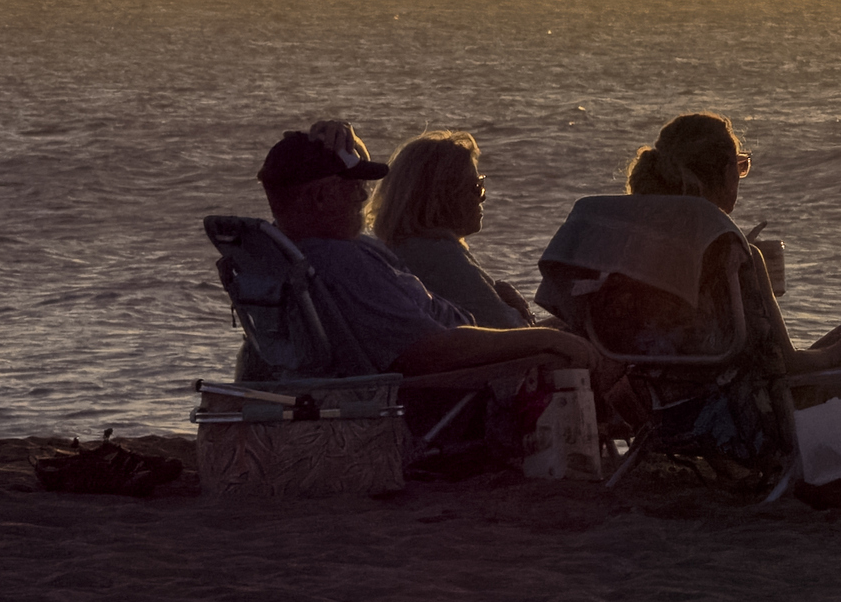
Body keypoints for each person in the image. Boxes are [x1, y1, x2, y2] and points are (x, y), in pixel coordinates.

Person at [256, 122, 638, 417]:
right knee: (595, 348)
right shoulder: (342, 262)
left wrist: (348, 140)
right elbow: (428, 351)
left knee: (578, 339)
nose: (363, 195)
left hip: (440, 374)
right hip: (447, 390)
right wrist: (547, 340)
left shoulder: (303, 252)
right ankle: (658, 437)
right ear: (321, 196)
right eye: (352, 187)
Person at [618, 112, 841, 372]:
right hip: (726, 408)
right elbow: (786, 363)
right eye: (740, 165)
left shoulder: (624, 244)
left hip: (647, 400)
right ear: (727, 172)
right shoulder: (735, 255)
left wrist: (741, 276)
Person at [373, 131, 541, 326]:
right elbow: (513, 332)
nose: (482, 197)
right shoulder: (440, 258)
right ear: (442, 197)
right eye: (476, 186)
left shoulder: (399, 249)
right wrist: (520, 310)